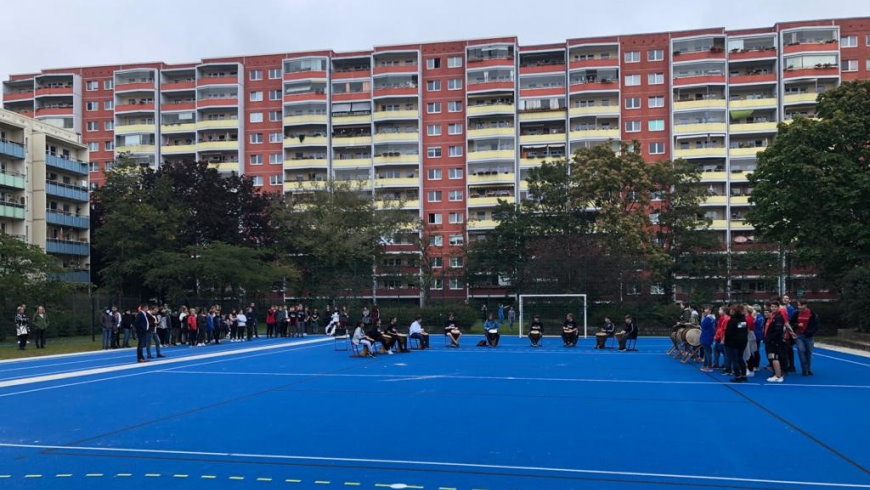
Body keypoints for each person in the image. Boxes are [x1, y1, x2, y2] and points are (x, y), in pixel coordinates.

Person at [793, 300, 819, 376]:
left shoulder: (812, 314)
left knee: (808, 352)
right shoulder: (796, 313)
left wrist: (811, 332)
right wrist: (797, 325)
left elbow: (816, 325)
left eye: (800, 305)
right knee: (801, 350)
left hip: (809, 336)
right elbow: (791, 323)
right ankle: (804, 369)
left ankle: (808, 369)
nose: (799, 307)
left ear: (805, 305)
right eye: (798, 305)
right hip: (799, 335)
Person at [764, 300, 788, 383]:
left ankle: (778, 375)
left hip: (775, 341)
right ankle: (776, 373)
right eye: (772, 307)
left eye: (775, 307)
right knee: (772, 358)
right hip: (771, 341)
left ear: (778, 308)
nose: (773, 308)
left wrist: (770, 338)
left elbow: (778, 330)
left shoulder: (778, 317)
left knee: (775, 358)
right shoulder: (772, 317)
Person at [724, 304, 748, 382]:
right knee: (740, 358)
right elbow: (743, 331)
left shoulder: (732, 320)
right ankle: (743, 375)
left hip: (733, 343)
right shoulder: (743, 320)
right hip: (742, 342)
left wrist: (726, 342)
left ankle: (737, 376)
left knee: (735, 359)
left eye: (732, 310)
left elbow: (729, 333)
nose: (730, 311)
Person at [699, 306, 716, 372]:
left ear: (710, 310)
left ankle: (709, 366)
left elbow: (702, 325)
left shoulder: (708, 318)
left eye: (706, 309)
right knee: (707, 352)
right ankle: (706, 365)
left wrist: (703, 317)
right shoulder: (712, 318)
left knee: (708, 352)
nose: (704, 310)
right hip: (708, 336)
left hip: (706, 336)